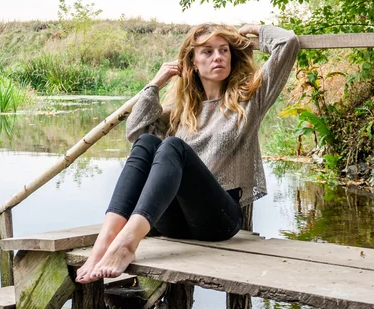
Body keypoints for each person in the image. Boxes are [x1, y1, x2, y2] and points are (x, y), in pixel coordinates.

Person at [76, 23, 299, 284]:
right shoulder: (182, 112)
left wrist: (255, 30)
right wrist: (154, 84)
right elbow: (136, 133)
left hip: (220, 220)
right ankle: (105, 242)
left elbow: (288, 43)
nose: (218, 57)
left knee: (173, 147)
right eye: (207, 52)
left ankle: (127, 242)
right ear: (192, 63)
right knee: (150, 141)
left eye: (224, 50)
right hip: (174, 223)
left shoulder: (249, 99)